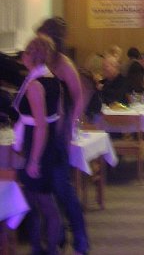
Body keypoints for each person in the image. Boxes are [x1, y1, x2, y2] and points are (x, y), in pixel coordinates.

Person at [36, 17, 90, 254]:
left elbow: (78, 98)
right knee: (46, 189)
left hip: (59, 131)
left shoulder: (64, 64)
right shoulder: (41, 61)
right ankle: (56, 235)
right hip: (42, 131)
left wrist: (70, 127)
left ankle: (80, 236)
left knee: (62, 188)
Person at [13, 35, 65, 254]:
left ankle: (50, 248)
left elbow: (41, 126)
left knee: (42, 202)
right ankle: (40, 247)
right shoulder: (52, 79)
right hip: (47, 144)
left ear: (32, 56)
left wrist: (34, 159)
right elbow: (59, 116)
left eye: (25, 52)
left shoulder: (35, 85)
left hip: (37, 146)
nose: (22, 56)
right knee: (35, 199)